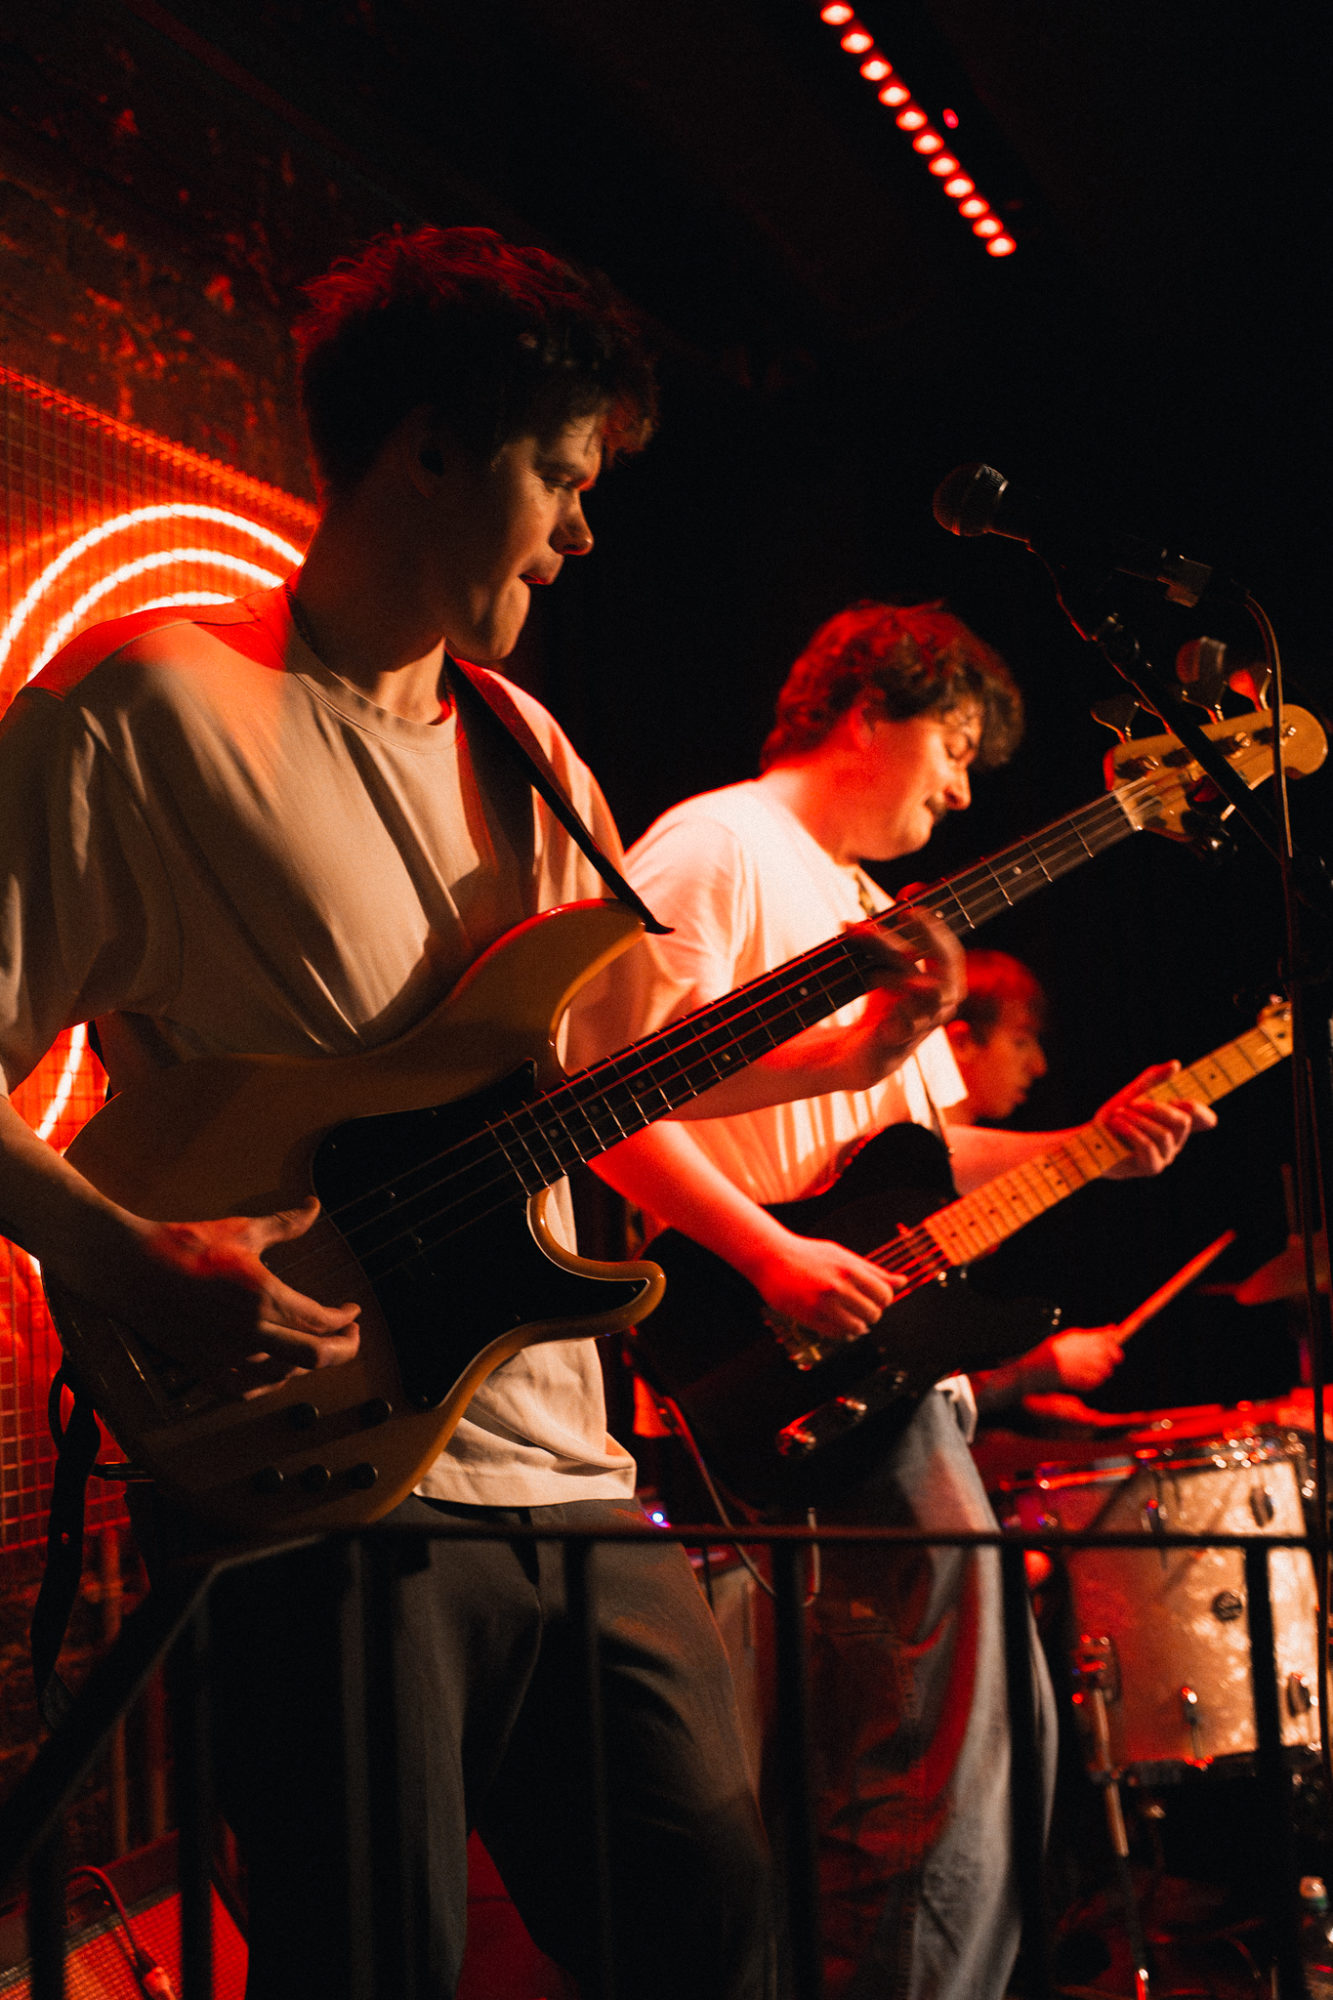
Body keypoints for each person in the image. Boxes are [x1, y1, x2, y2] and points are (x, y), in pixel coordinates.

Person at [0, 228, 951, 1999]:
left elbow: (593, 1096)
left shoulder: (533, 751)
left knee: (719, 1937)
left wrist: (849, 1051)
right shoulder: (147, 709)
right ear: (429, 450)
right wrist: (131, 1261)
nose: (583, 534)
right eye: (564, 476)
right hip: (317, 1475)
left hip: (566, 1468)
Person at [569, 601, 1215, 2000]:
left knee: (980, 1749)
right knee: (934, 1766)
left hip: (875, 1356)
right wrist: (763, 1254)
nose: (963, 790)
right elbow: (598, 1089)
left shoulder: (869, 910)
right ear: (870, 710)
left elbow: (908, 1157)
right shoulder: (718, 844)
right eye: (957, 744)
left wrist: (1086, 1143)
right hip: (786, 1352)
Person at [946, 950, 1127, 1423]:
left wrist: (1021, 1406)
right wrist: (1034, 1371)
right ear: (961, 1042)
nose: (1040, 1065)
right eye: (1021, 1041)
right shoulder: (903, 1182)